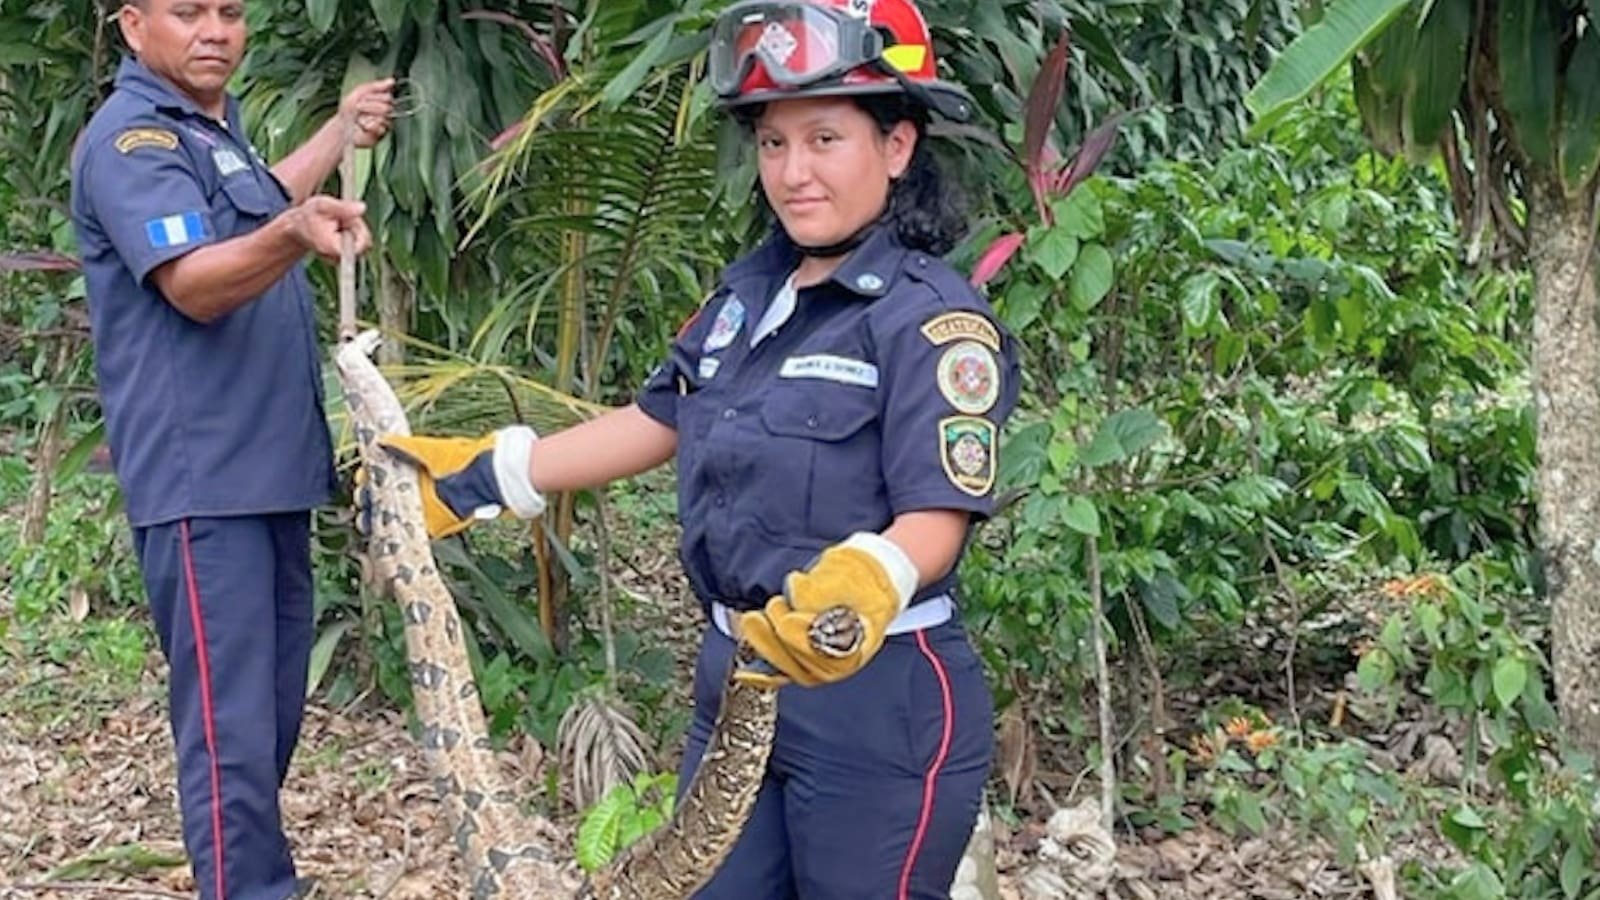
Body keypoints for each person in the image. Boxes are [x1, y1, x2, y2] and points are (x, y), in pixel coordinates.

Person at [382, 0, 1017, 896]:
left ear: (899, 145)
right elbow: (660, 419)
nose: (793, 173)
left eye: (825, 139)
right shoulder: (748, 295)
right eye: (772, 143)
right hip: (737, 690)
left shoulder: (932, 322)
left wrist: (870, 575)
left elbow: (938, 513)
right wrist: (492, 474)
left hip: (880, 703)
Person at [69, 1, 394, 897]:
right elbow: (194, 283)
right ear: (134, 26)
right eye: (188, 12)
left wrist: (335, 132)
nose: (215, 30)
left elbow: (259, 203)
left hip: (272, 475)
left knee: (268, 722)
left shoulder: (212, 129)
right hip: (202, 483)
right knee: (230, 736)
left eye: (230, 11)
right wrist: (294, 236)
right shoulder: (131, 141)